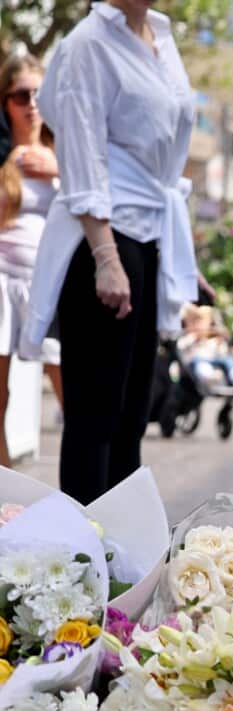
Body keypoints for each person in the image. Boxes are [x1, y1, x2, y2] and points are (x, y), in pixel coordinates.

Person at [22, 0, 198, 505]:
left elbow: (163, 155)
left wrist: (175, 253)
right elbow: (80, 151)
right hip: (102, 234)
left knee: (131, 416)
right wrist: (106, 257)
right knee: (95, 415)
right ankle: (85, 545)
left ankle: (121, 545)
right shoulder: (88, 43)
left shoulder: (160, 37)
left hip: (147, 232)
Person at [0, 55, 63, 468]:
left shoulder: (65, 151)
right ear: (6, 102)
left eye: (39, 93)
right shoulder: (3, 155)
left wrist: (58, 168)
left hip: (51, 282)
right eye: (22, 95)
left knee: (71, 390)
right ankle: (4, 485)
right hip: (2, 280)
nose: (32, 104)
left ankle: (86, 491)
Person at [178, 304, 233, 388]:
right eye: (193, 322)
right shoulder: (187, 339)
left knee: (229, 360)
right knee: (200, 364)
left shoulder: (213, 337)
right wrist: (195, 337)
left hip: (217, 359)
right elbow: (182, 349)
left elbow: (222, 351)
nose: (198, 325)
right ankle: (210, 378)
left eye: (199, 321)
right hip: (200, 363)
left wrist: (219, 343)